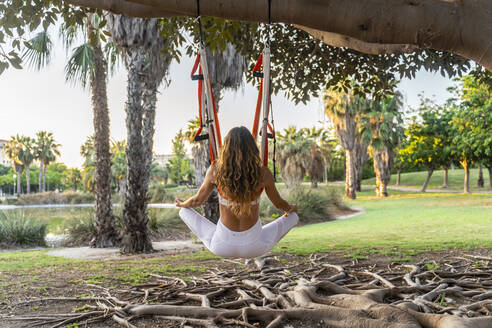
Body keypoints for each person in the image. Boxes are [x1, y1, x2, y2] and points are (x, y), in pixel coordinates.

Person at [175, 126, 299, 258]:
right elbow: (279, 204)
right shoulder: (263, 173)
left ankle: (185, 211)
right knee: (293, 216)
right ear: (252, 148)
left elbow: (197, 200)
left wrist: (182, 204)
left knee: (184, 211)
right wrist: (291, 208)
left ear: (226, 148)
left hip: (221, 246)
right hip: (255, 247)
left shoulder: (215, 170)